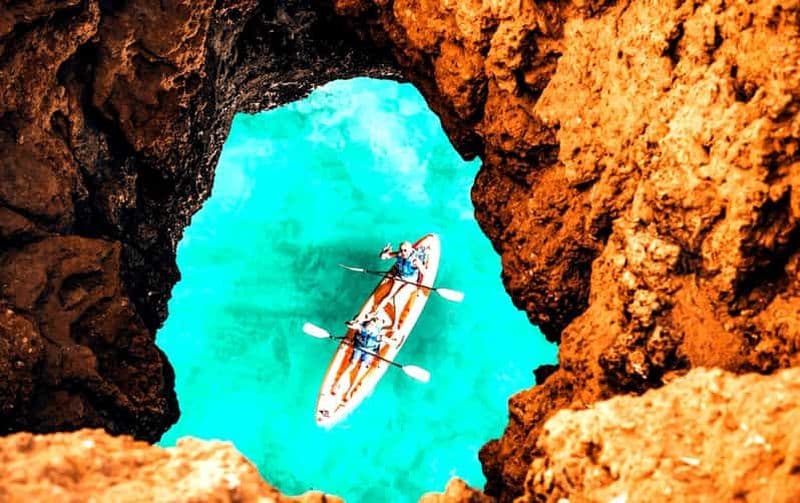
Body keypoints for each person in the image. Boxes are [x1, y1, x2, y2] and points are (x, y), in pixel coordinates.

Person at [374, 240, 429, 329]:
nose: (403, 253)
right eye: (401, 250)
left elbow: (425, 273)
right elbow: (383, 257)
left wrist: (419, 265)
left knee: (396, 297)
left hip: (410, 281)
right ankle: (375, 312)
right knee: (389, 295)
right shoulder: (399, 254)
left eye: (405, 250)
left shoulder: (415, 260)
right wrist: (384, 252)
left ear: (411, 250)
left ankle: (394, 325)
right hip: (400, 277)